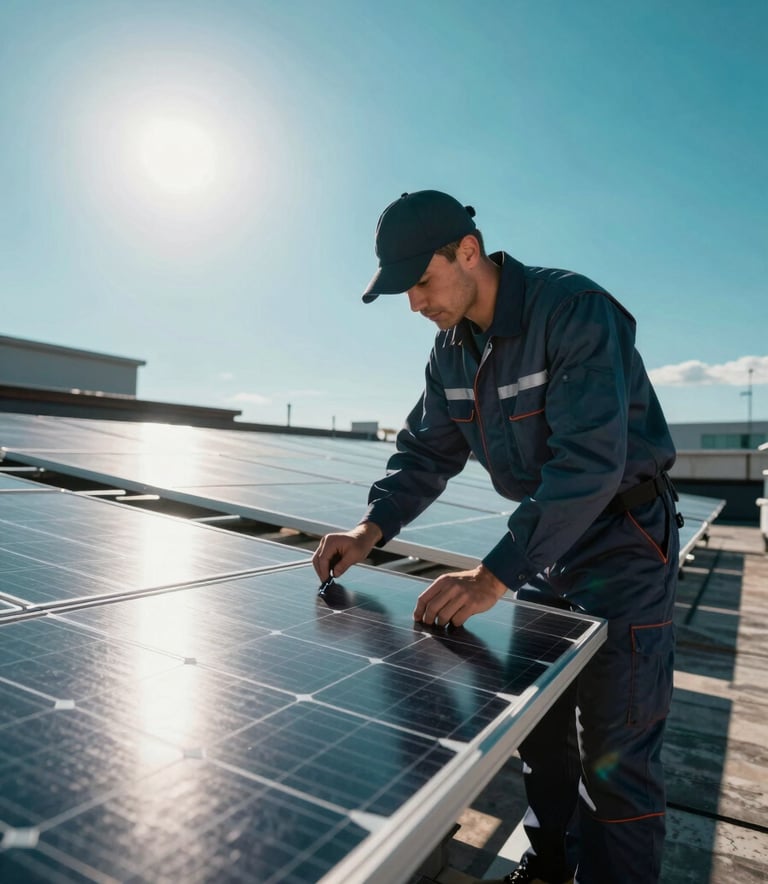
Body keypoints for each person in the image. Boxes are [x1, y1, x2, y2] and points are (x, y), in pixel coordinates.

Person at [312, 190, 680, 884]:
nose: (415, 303)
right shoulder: (450, 353)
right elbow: (425, 452)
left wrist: (491, 577)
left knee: (616, 757)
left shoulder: (572, 310)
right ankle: (545, 868)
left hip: (624, 544)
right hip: (546, 554)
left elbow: (589, 465)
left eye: (421, 281)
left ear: (469, 253)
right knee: (540, 733)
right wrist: (370, 529)